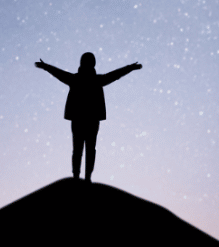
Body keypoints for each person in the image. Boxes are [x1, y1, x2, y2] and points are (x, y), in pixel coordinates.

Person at [35, 52, 142, 182]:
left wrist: (45, 66)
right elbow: (115, 75)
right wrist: (130, 67)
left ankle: (79, 176)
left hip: (80, 119)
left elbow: (59, 73)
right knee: (87, 149)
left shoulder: (78, 79)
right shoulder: (95, 80)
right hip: (90, 119)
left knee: (79, 149)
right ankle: (85, 177)